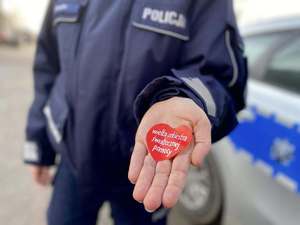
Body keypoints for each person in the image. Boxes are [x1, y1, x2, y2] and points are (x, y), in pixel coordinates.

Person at [23, 0, 247, 224]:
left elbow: (221, 74)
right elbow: (48, 66)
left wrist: (188, 97)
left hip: (146, 169)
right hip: (73, 160)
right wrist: (38, 144)